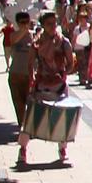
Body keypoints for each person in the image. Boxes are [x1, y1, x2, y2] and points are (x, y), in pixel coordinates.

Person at [22, 10, 76, 168]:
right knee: (30, 117)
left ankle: (63, 148)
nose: (52, 26)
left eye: (54, 23)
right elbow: (30, 63)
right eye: (49, 24)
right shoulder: (37, 42)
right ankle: (23, 149)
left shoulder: (63, 41)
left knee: (63, 117)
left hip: (58, 85)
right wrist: (32, 77)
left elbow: (71, 61)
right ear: (43, 25)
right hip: (41, 84)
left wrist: (64, 72)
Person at [3, 11, 36, 148]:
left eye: (26, 22)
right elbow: (13, 41)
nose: (24, 25)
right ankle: (22, 127)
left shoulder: (33, 36)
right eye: (21, 22)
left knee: (30, 102)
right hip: (15, 74)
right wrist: (23, 30)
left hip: (28, 75)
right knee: (19, 103)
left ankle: (29, 127)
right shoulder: (13, 35)